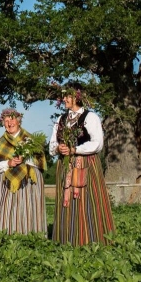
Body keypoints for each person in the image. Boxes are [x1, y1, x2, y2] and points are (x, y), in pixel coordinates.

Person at [50, 83, 114, 245]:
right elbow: (51, 146)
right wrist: (59, 148)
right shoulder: (61, 119)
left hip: (85, 164)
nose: (64, 99)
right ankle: (66, 238)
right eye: (63, 96)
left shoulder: (90, 117)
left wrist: (74, 149)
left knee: (87, 200)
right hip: (65, 165)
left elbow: (97, 144)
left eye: (67, 96)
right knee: (66, 201)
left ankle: (92, 238)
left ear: (77, 97)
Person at [0, 108, 47, 235]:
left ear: (19, 121)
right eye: (6, 121)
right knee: (7, 210)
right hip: (7, 183)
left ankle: (32, 235)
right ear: (3, 123)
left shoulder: (31, 140)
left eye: (12, 119)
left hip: (28, 182)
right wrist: (8, 163)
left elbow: (40, 161)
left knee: (28, 209)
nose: (10, 123)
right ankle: (6, 235)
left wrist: (25, 159)